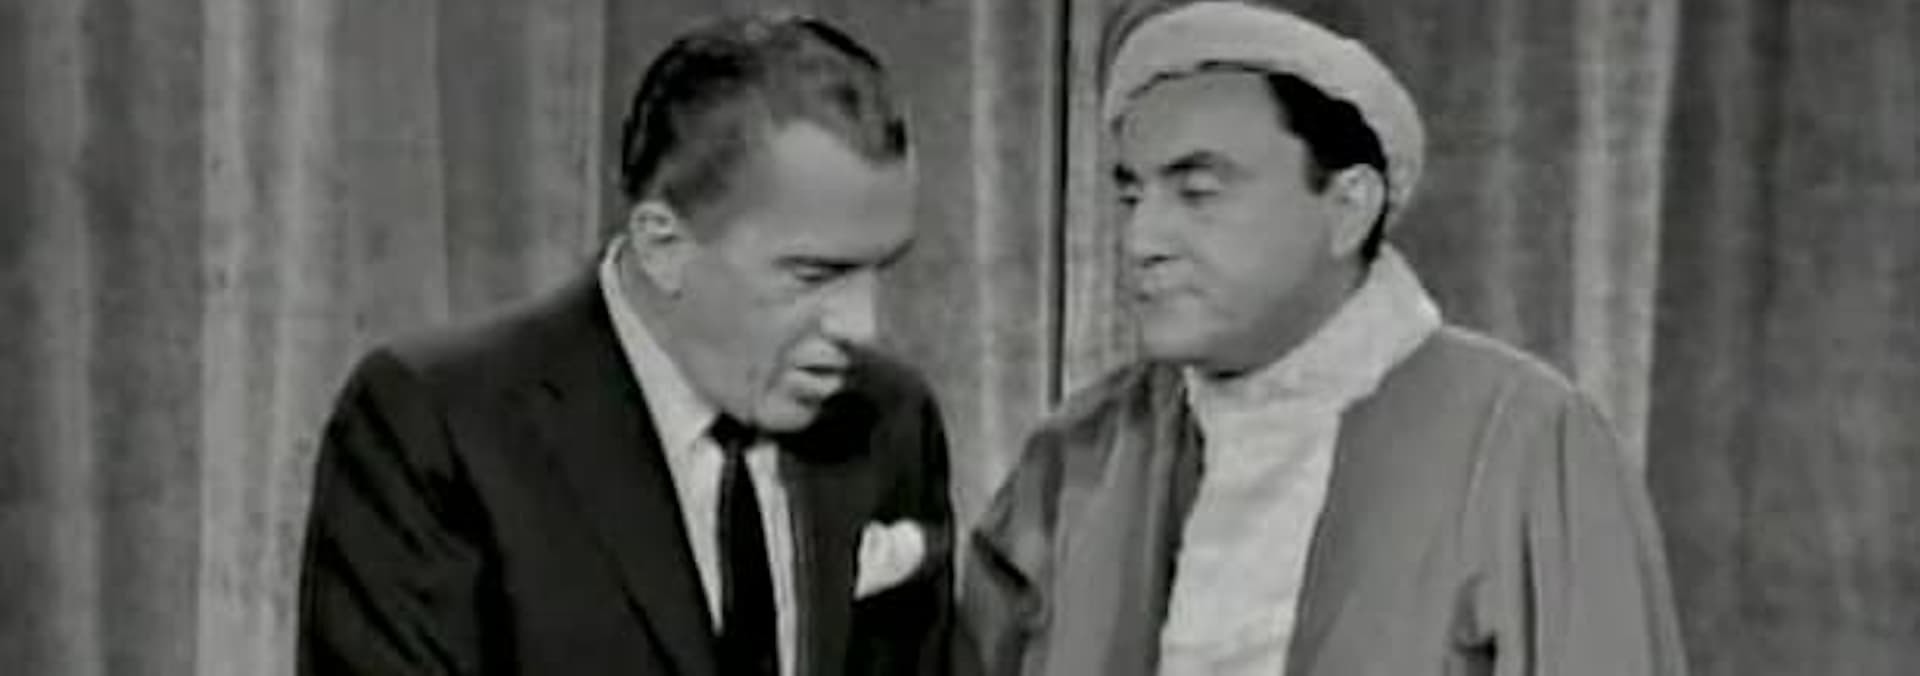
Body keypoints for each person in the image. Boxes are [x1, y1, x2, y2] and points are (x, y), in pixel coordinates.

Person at [960, 2, 1688, 675]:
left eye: (1198, 193)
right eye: (1130, 195)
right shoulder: (1074, 462)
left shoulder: (1525, 442)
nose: (1141, 239)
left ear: (1348, 208)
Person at [298, 13, 954, 675]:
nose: (862, 326)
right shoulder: (440, 427)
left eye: (879, 268)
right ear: (662, 245)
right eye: (814, 275)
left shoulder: (891, 421)